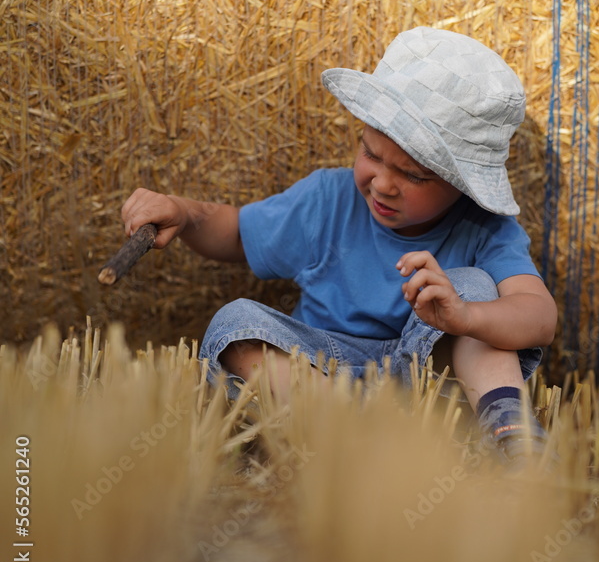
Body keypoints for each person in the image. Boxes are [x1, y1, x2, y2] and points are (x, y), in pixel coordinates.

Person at [121, 27, 558, 463]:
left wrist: (466, 317)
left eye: (415, 176)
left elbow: (538, 315)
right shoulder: (326, 200)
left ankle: (512, 439)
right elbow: (237, 233)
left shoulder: (486, 229)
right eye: (371, 154)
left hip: (427, 387)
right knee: (233, 324)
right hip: (317, 374)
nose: (383, 184)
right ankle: (353, 435)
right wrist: (184, 211)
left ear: (464, 186)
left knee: (473, 286)